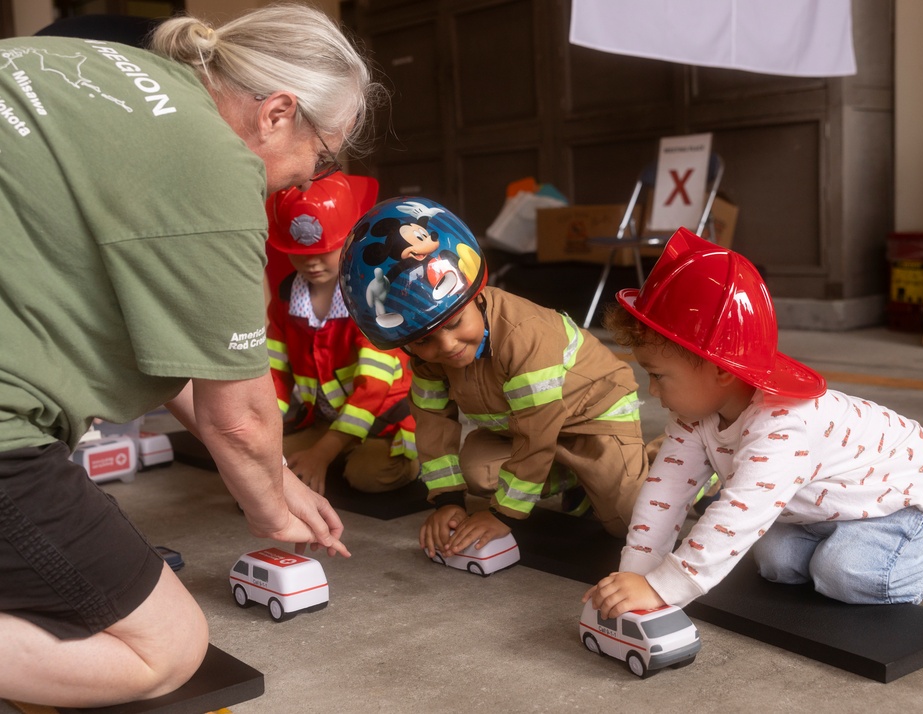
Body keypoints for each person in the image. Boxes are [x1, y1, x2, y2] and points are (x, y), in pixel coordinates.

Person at [0, 4, 381, 707]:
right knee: (165, 650)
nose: (304, 179)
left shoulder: (87, 65)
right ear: (277, 114)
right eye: (321, 154)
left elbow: (185, 359)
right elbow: (237, 415)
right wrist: (268, 508)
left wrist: (276, 476)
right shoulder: (214, 159)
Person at [583, 227, 923, 618]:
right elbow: (665, 494)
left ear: (720, 369)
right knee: (777, 563)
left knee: (847, 575)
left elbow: (738, 517)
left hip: (918, 490)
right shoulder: (693, 416)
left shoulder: (782, 427)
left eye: (658, 376)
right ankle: (882, 546)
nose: (652, 391)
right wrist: (634, 575)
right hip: (835, 503)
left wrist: (663, 588)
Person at [339, 197, 649, 559]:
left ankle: (671, 464)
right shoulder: (425, 357)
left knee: (629, 522)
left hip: (595, 415)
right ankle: (580, 475)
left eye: (455, 323)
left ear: (477, 293)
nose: (448, 345)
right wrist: (448, 501)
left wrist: (504, 515)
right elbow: (433, 426)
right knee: (477, 470)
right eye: (424, 340)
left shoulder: (524, 336)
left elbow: (536, 431)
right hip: (528, 426)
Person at [266, 174, 418, 496]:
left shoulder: (373, 299)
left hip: (381, 421)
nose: (312, 261)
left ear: (351, 239)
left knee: (367, 476)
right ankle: (328, 457)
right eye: (298, 252)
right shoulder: (284, 301)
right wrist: (264, 431)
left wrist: (322, 452)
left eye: (327, 249)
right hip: (324, 419)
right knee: (262, 461)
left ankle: (337, 457)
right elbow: (275, 374)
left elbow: (373, 389)